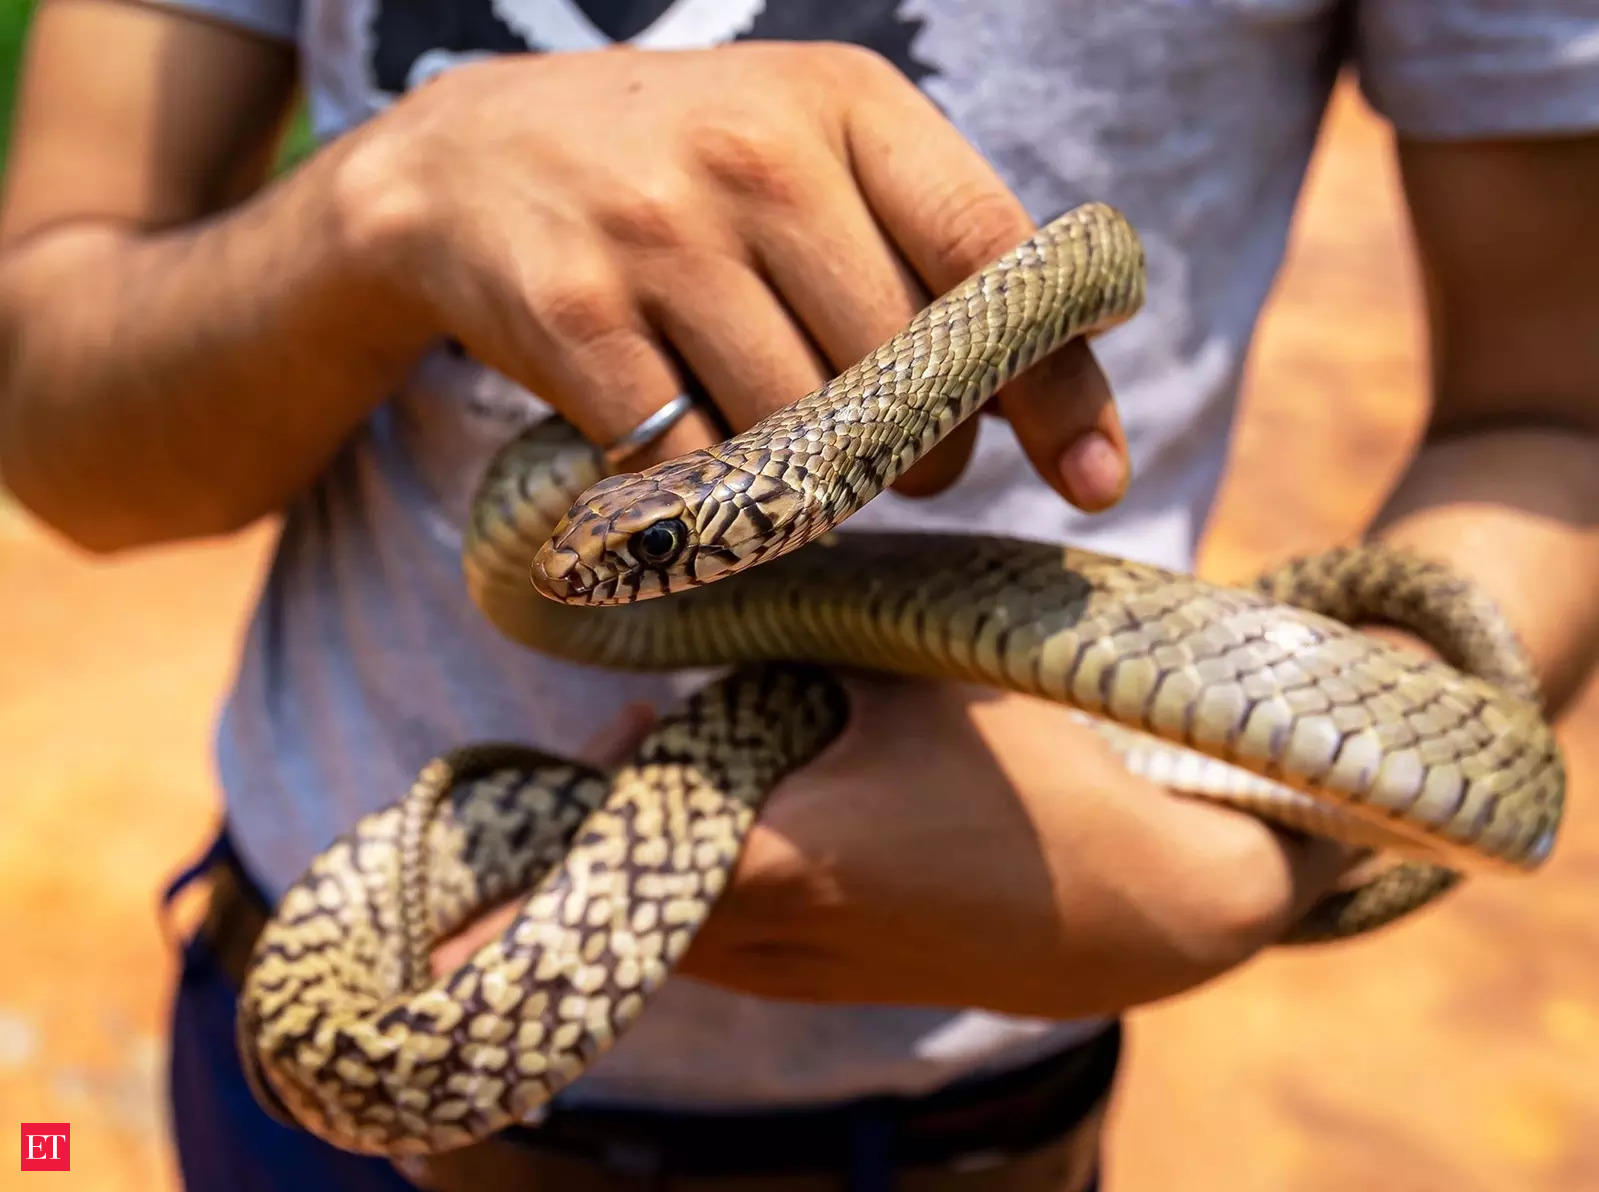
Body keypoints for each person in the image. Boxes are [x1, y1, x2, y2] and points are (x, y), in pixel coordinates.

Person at [2, 0, 1596, 1188]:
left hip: (966, 1137)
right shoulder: (644, 501)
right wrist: (385, 198)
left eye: (645, 547)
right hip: (316, 1053)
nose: (599, 564)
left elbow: (1563, 410)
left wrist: (1273, 858)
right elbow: (46, 394)